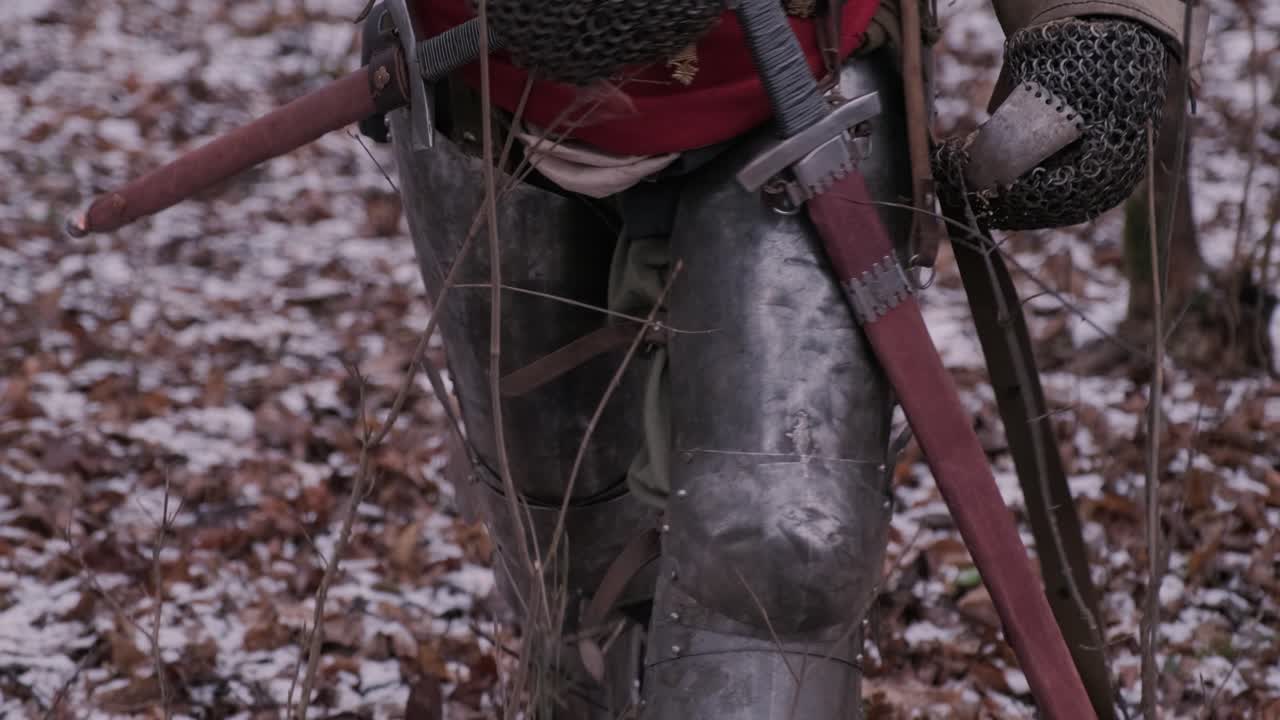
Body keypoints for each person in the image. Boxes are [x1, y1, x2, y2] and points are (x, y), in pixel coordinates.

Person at [362, 0, 1205, 716]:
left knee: (784, 553)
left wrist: (1094, 18)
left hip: (801, 64)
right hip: (487, 84)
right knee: (558, 541)